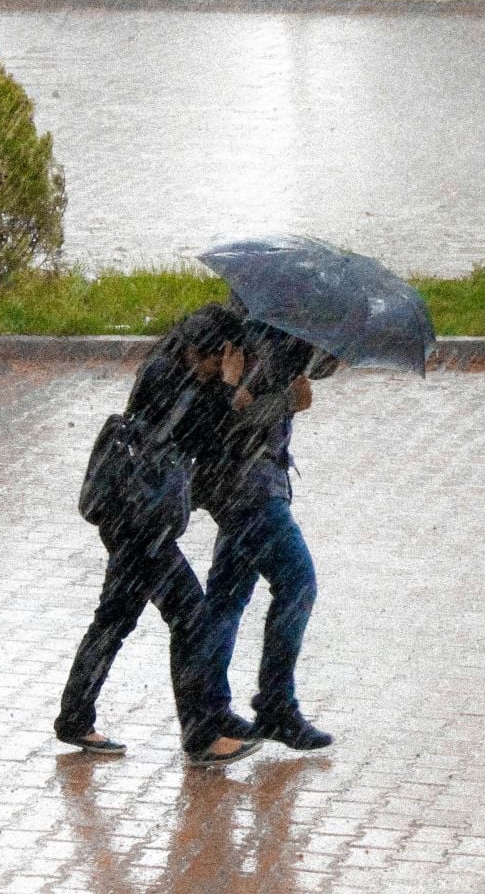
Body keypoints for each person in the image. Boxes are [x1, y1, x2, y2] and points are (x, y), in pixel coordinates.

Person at [54, 303, 262, 767]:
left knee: (115, 618)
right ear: (206, 351)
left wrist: (227, 393)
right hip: (139, 523)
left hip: (131, 516)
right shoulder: (170, 378)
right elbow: (205, 437)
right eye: (223, 358)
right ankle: (201, 735)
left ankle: (75, 717)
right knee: (190, 616)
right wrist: (229, 392)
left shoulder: (171, 370)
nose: (224, 366)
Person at [184, 320, 339, 752]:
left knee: (227, 597)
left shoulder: (284, 330)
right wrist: (287, 401)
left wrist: (331, 347)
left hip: (243, 487)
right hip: (249, 490)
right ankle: (274, 706)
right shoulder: (259, 338)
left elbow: (315, 368)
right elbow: (233, 424)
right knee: (298, 583)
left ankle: (209, 710)